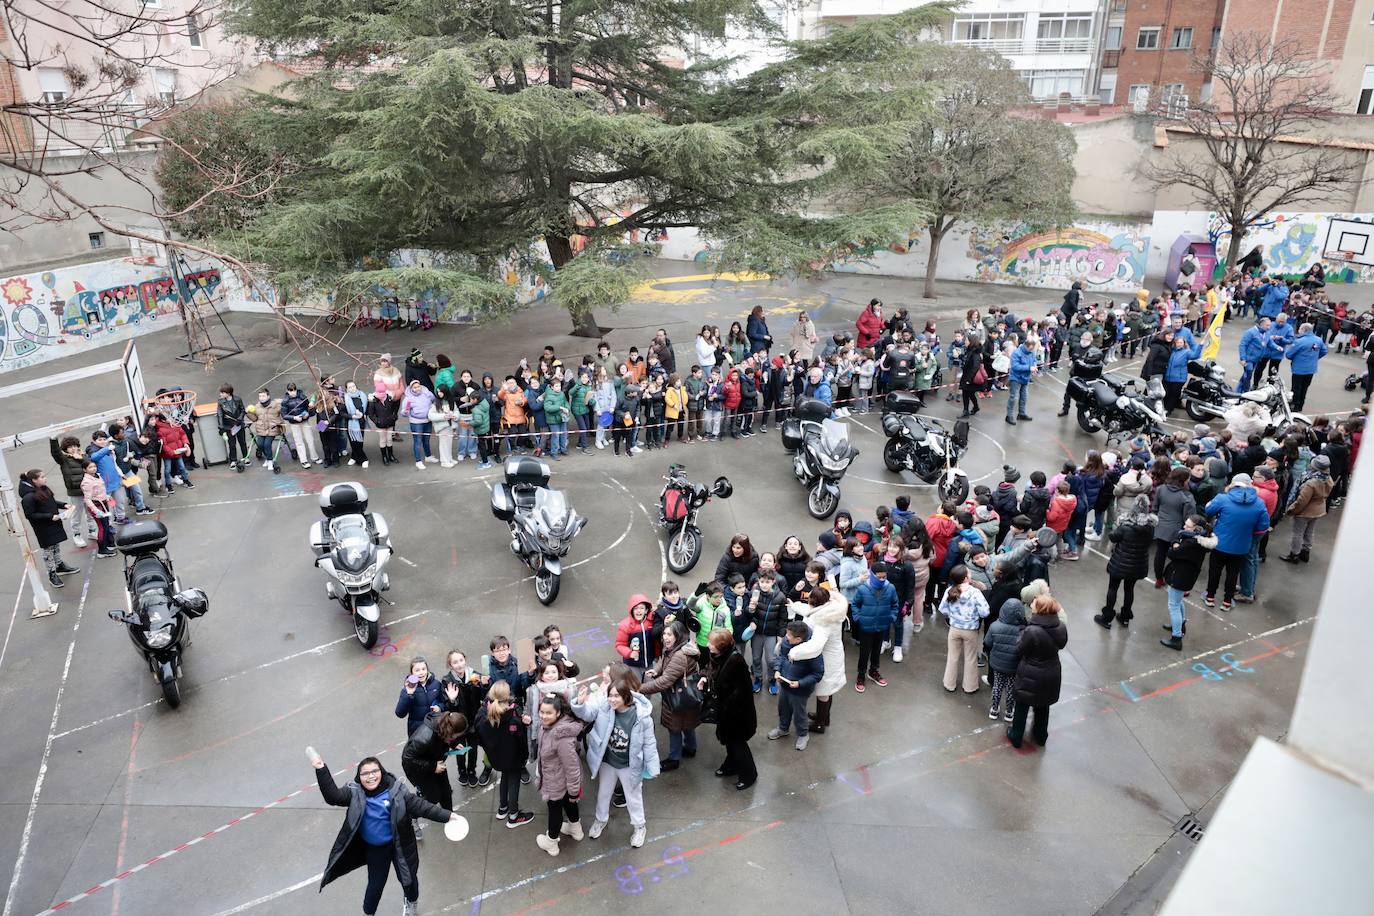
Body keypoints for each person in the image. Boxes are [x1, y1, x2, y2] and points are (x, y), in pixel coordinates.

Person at [310, 750, 455, 916]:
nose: (370, 776)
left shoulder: (398, 791)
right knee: (375, 886)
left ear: (382, 772)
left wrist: (449, 816)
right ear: (359, 777)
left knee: (408, 880)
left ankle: (411, 902)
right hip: (376, 849)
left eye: (374, 771)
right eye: (365, 773)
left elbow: (423, 807)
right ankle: (368, 913)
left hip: (400, 845)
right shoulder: (354, 793)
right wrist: (321, 769)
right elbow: (332, 796)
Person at [574, 665, 658, 847]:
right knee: (603, 793)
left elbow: (649, 743)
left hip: (629, 765)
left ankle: (639, 826)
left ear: (626, 696)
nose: (611, 699)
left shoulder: (642, 717)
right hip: (607, 762)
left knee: (633, 797)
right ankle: (600, 820)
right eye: (609, 695)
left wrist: (653, 766)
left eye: (616, 696)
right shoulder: (604, 707)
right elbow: (587, 713)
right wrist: (580, 703)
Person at [1006, 594, 1068, 749]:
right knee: (1043, 705)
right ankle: (1040, 736)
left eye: (1034, 603)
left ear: (1040, 609)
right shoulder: (1061, 626)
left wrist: (1021, 631)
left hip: (1030, 673)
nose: (1031, 604)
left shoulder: (1032, 630)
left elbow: (1019, 650)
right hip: (1052, 671)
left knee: (1022, 705)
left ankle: (1016, 736)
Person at [638, 620, 701, 770]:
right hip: (688, 697)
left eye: (669, 634)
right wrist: (657, 670)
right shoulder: (677, 647)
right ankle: (691, 748)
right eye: (664, 634)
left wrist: (639, 688)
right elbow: (664, 659)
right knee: (688, 724)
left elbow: (664, 682)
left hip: (677, 698)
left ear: (678, 636)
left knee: (675, 728)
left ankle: (674, 759)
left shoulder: (679, 655)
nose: (665, 637)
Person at [1203, 474, 1271, 610]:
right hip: (1241, 545)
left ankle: (1210, 597)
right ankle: (1227, 602)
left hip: (1219, 543)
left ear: (1234, 484)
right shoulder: (1259, 503)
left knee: (1215, 571)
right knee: (1233, 573)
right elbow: (1263, 526)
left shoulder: (1223, 498)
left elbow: (1208, 510)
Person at [701, 628, 758, 789]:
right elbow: (709, 669)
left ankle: (749, 775)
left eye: (711, 643)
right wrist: (705, 678)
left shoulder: (736, 661)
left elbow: (743, 691)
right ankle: (732, 765)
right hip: (726, 711)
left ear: (721, 645)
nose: (708, 645)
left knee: (738, 744)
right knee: (730, 743)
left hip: (737, 715)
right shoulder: (718, 655)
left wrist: (727, 706)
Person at [787, 585, 848, 734]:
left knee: (824, 691)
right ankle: (824, 716)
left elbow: (815, 645)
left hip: (827, 659)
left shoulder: (824, 621)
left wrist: (795, 652)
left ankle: (820, 723)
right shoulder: (829, 609)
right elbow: (810, 612)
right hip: (833, 655)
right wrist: (794, 605)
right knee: (828, 689)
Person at [474, 681, 535, 827]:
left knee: (504, 777)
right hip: (513, 757)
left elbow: (479, 737)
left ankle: (503, 809)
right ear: (507, 695)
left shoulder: (482, 713)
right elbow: (521, 740)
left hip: (496, 758)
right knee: (513, 781)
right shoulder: (514, 715)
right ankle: (514, 816)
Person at [1093, 495, 1156, 629]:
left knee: (1113, 588)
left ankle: (1107, 618)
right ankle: (1125, 617)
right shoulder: (1150, 528)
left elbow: (1113, 537)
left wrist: (1119, 525)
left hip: (1120, 563)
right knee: (1129, 589)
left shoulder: (1125, 527)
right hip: (1138, 564)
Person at [534, 693, 584, 856]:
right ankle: (575, 830)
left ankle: (551, 842)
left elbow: (572, 767)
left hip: (556, 781)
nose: (543, 716)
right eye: (542, 712)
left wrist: (574, 791)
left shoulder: (561, 737)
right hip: (558, 779)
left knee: (554, 811)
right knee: (569, 804)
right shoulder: (548, 726)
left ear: (558, 713)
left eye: (548, 713)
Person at [400, 711, 467, 832]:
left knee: (446, 791)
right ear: (450, 732)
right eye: (456, 736)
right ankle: (411, 815)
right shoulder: (424, 738)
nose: (456, 738)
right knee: (433, 797)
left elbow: (444, 740)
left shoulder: (444, 725)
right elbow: (408, 759)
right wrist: (432, 766)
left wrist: (454, 744)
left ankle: (448, 816)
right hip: (421, 770)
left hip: (436, 762)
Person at [767, 620, 824, 751]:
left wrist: (800, 683)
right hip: (785, 684)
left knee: (799, 713)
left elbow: (817, 674)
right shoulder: (788, 642)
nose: (786, 637)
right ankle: (783, 729)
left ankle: (803, 734)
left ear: (798, 639)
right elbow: (781, 657)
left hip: (800, 690)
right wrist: (778, 670)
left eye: (789, 636)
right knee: (783, 708)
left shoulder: (812, 651)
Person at [1161, 515, 1216, 650]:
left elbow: (1172, 553)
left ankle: (1176, 638)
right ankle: (1180, 625)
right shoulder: (1200, 541)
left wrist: (1175, 544)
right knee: (1178, 602)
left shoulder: (1190, 543)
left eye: (1187, 526)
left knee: (1173, 605)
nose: (1184, 527)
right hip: (1187, 576)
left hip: (1180, 576)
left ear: (1196, 529)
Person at [19, 469, 79, 588]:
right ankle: (52, 573)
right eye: (42, 477)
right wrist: (50, 516)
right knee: (48, 551)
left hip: (53, 523)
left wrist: (63, 505)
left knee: (55, 546)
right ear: (34, 480)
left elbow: (50, 501)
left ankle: (59, 565)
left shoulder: (42, 489)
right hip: (44, 527)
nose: (45, 478)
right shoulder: (28, 497)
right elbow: (30, 515)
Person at [939, 565, 989, 694]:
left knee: (952, 657)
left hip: (954, 629)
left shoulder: (950, 590)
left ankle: (949, 684)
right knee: (970, 658)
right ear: (966, 578)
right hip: (970, 630)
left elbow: (943, 609)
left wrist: (953, 616)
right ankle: (970, 686)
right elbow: (985, 612)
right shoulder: (975, 592)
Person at [850, 561, 898, 693]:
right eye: (879, 577)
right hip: (865, 627)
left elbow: (895, 605)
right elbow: (855, 605)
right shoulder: (863, 589)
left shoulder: (890, 588)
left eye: (884, 577)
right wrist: (858, 618)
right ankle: (861, 675)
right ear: (872, 575)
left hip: (881, 626)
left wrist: (891, 618)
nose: (882, 579)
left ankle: (873, 671)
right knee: (864, 653)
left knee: (877, 651)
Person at [1280, 454, 1333, 563]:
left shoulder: (1310, 482)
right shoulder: (1328, 478)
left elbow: (1302, 501)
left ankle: (1294, 554)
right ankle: (1305, 552)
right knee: (1309, 531)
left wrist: (1292, 509)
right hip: (1318, 509)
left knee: (1298, 533)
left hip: (1305, 511)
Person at [983, 598, 1027, 722]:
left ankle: (994, 709)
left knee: (997, 685)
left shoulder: (995, 626)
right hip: (1014, 665)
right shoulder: (1023, 629)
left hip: (997, 663)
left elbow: (987, 642)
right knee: (1010, 687)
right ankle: (1009, 712)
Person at [1283, 321, 1328, 412]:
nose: (1298, 330)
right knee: (1305, 387)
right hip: (1311, 369)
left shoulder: (1299, 341)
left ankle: (1294, 405)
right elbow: (1324, 351)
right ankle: (1300, 405)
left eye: (1300, 329)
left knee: (1296, 388)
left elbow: (1289, 355)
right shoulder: (1318, 340)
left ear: (1304, 330)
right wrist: (1315, 358)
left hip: (1299, 369)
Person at [394, 656, 442, 736]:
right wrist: (409, 694)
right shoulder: (407, 689)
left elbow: (443, 702)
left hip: (436, 728)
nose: (421, 672)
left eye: (424, 669)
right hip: (418, 732)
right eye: (417, 670)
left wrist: (440, 707)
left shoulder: (436, 684)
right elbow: (400, 713)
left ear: (427, 670)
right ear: (412, 673)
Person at [281, 382, 322, 468]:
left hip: (304, 421)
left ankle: (314, 457)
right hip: (294, 424)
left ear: (296, 389)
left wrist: (308, 413)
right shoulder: (285, 401)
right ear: (287, 391)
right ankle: (304, 461)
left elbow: (309, 409)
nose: (292, 392)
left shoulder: (302, 397)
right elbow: (284, 415)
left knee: (310, 439)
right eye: (290, 391)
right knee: (299, 442)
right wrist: (294, 418)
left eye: (294, 390)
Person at [250, 388, 287, 471]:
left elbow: (284, 413)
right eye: (260, 396)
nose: (261, 398)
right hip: (261, 429)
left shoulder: (276, 405)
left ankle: (270, 461)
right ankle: (267, 458)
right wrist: (248, 413)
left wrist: (280, 422)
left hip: (273, 428)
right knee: (260, 444)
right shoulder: (257, 406)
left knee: (267, 444)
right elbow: (255, 419)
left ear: (268, 396)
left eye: (263, 396)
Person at [216, 383, 250, 471]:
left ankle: (246, 457)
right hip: (229, 426)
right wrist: (221, 427)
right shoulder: (220, 402)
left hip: (239, 425)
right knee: (231, 444)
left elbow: (243, 410)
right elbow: (219, 415)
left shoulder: (238, 399)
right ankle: (233, 460)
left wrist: (240, 418)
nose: (221, 394)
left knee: (242, 442)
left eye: (222, 392)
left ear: (228, 393)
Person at [1005, 336, 1037, 425]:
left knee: (1024, 397)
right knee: (1013, 398)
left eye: (1032, 349)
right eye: (1030, 349)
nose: (1031, 351)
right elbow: (1015, 366)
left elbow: (1034, 360)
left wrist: (1034, 367)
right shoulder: (1017, 353)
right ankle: (1009, 416)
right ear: (1026, 346)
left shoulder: (1031, 352)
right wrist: (1029, 368)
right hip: (1016, 378)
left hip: (1025, 378)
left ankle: (1021, 414)